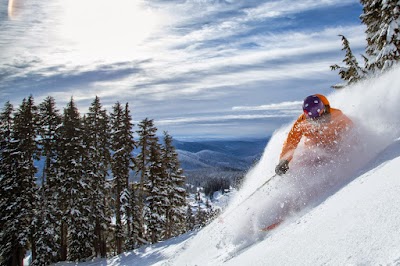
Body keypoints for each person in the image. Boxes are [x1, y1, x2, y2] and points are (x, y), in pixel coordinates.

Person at [275, 94, 353, 175]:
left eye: (316, 119)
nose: (314, 122)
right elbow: (291, 141)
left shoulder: (336, 115)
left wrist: (348, 148)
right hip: (315, 150)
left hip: (335, 147)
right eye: (311, 119)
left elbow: (351, 130)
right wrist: (284, 160)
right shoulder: (301, 122)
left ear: (322, 112)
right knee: (303, 160)